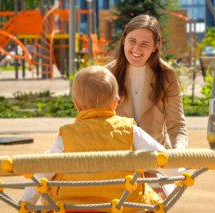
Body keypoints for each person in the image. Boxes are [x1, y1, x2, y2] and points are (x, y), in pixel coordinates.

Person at [20, 66, 168, 212]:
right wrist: (180, 173)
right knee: (160, 188)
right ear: (116, 102)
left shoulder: (66, 136)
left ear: (76, 105)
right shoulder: (130, 130)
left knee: (48, 170)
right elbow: (163, 156)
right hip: (124, 205)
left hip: (71, 207)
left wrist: (25, 202)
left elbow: (43, 172)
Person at [106, 14, 188, 150]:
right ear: (124, 39)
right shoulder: (107, 74)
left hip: (156, 157)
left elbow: (176, 125)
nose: (137, 49)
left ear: (155, 46)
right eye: (132, 41)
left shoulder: (167, 75)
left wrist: (179, 153)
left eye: (145, 44)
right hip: (119, 159)